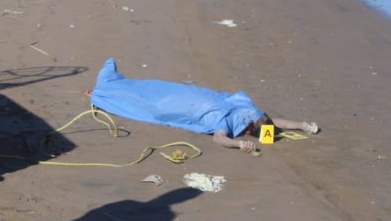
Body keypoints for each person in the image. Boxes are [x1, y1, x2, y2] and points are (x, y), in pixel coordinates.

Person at [91, 58, 319, 153]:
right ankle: (105, 89)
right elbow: (219, 138)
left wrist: (301, 125)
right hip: (179, 103)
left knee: (147, 90)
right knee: (146, 101)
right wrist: (240, 146)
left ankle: (108, 84)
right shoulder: (230, 120)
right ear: (250, 128)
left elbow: (272, 124)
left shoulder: (248, 109)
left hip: (187, 96)